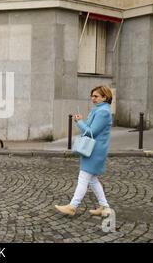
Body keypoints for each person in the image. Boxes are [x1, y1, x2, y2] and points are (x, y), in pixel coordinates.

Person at [55, 85, 113, 217]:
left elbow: (91, 132)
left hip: (94, 150)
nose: (93, 98)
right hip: (94, 149)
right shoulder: (99, 110)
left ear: (105, 97)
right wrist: (81, 121)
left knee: (83, 178)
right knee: (92, 179)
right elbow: (90, 129)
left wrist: (80, 122)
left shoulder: (103, 112)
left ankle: (73, 206)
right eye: (92, 96)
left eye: (96, 96)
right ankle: (105, 207)